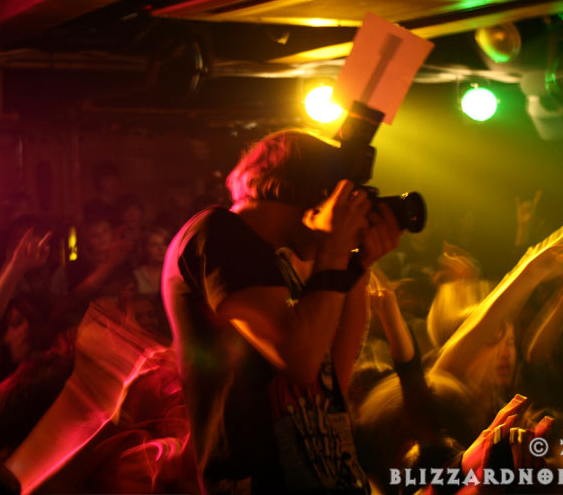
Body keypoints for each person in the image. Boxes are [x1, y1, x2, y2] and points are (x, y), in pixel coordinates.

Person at [161, 129, 403, 493]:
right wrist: (334, 251)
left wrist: (356, 263)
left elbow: (331, 382)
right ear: (315, 194)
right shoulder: (217, 232)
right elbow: (299, 360)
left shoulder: (278, 265)